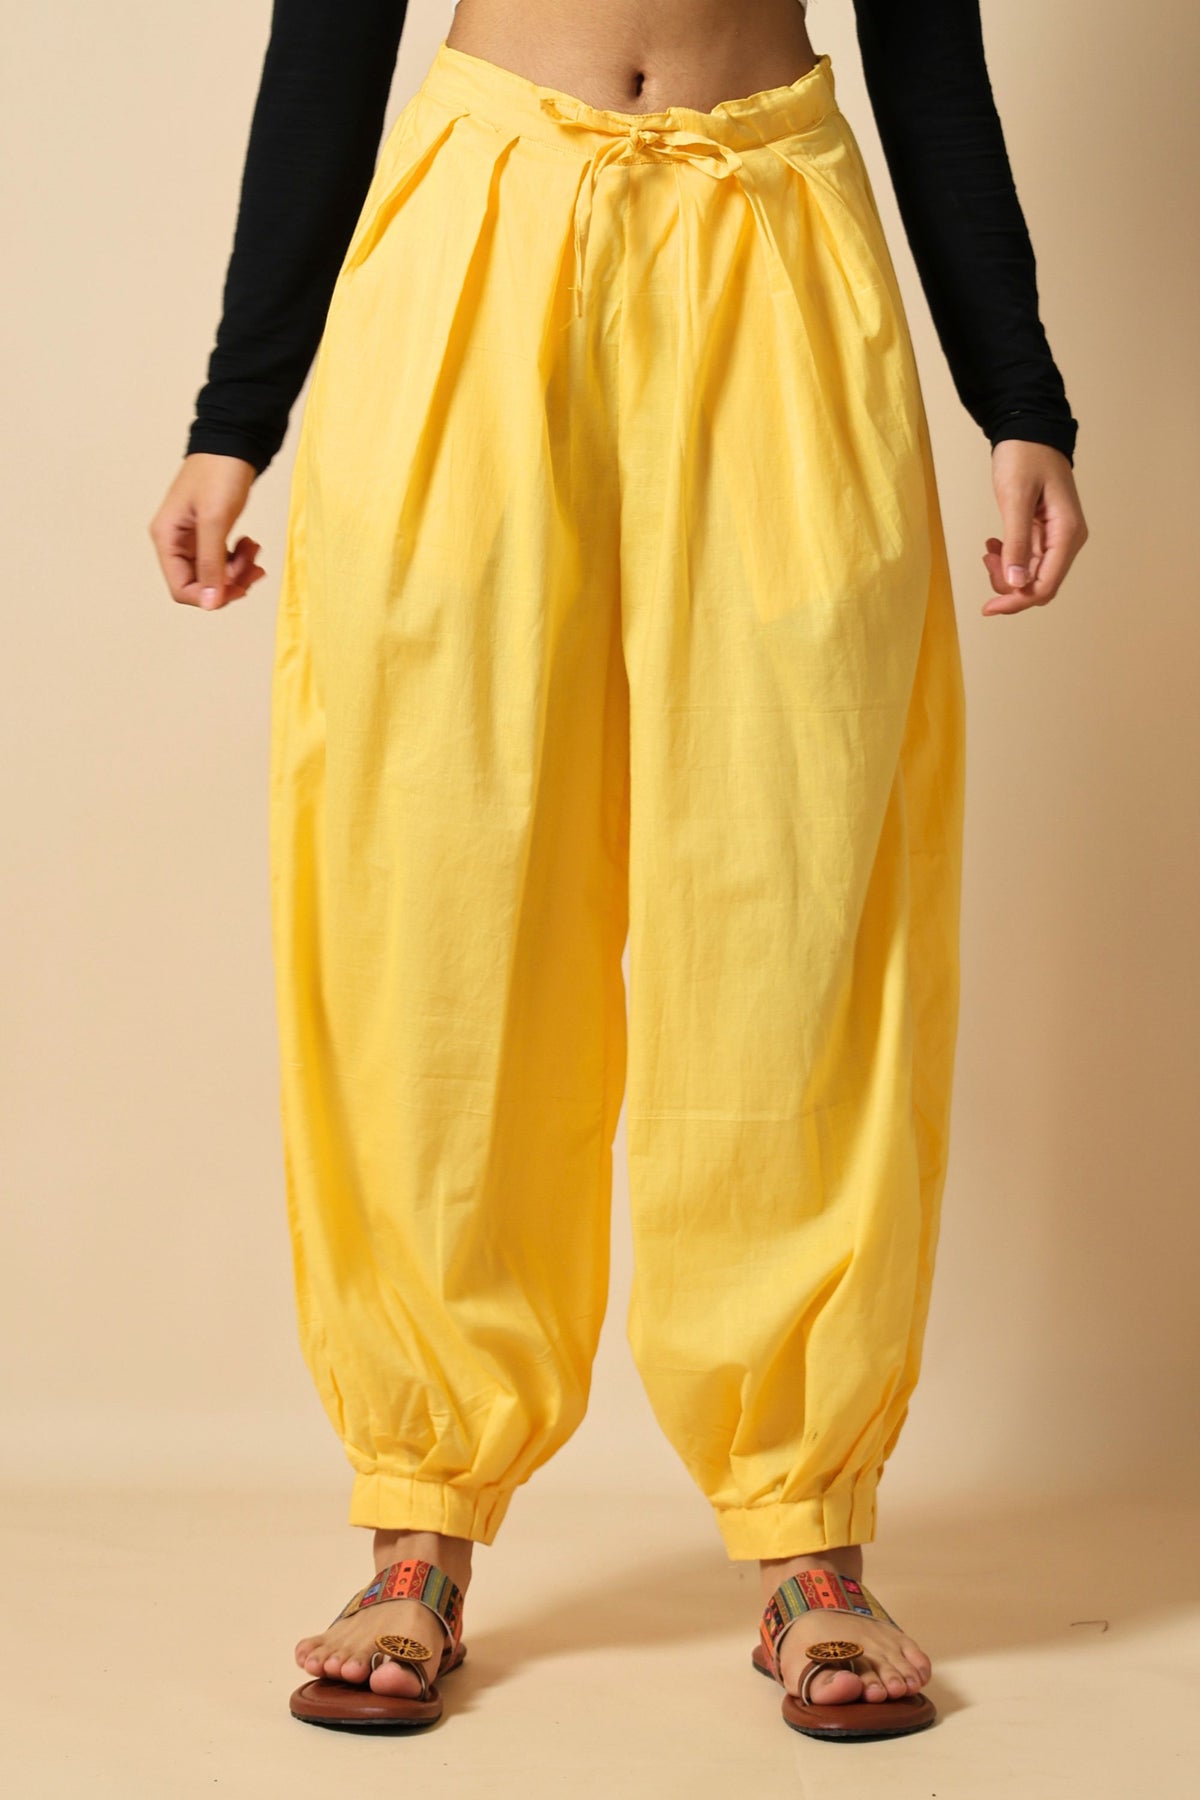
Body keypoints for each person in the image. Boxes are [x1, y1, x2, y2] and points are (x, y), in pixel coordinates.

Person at [148, 0, 1088, 1742]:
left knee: (802, 889)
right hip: (478, 234)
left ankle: (810, 1532)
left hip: (776, 241)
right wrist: (234, 415)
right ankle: (417, 1516)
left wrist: (1017, 394)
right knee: (430, 889)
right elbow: (332, 35)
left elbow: (927, 43)